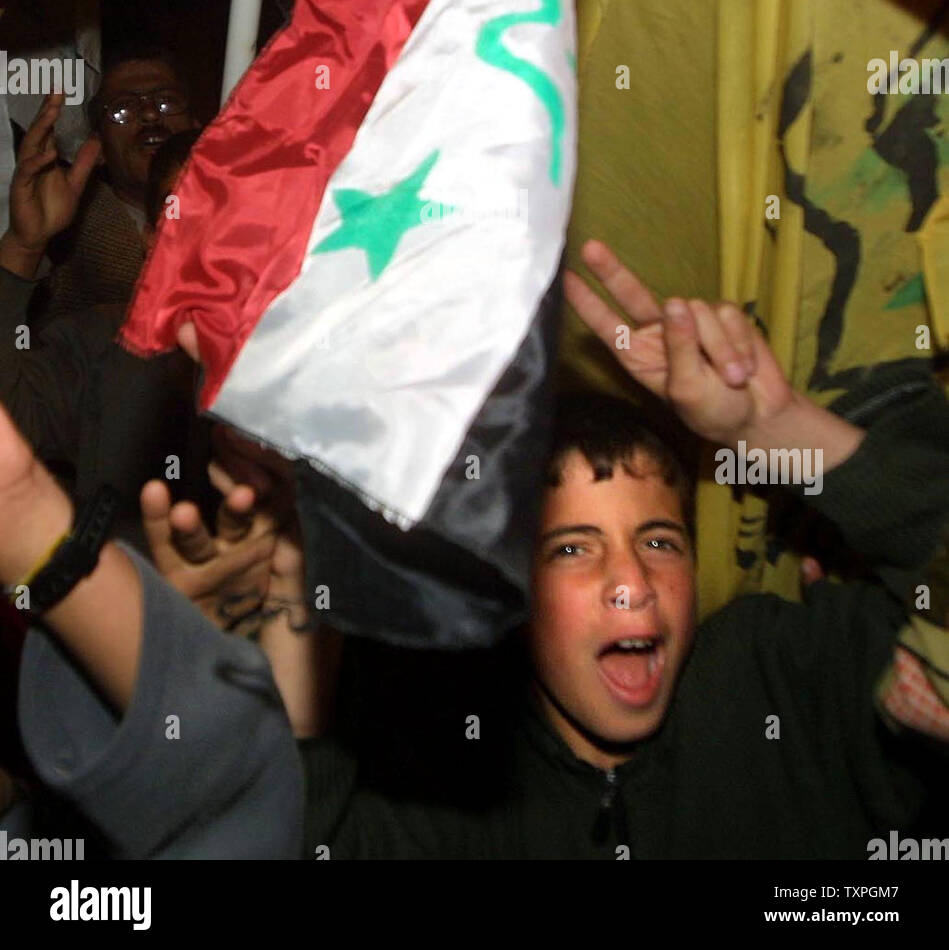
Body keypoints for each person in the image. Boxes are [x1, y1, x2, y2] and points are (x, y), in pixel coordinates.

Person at [3, 243, 948, 859]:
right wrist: (267, 645)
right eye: (573, 549)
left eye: (656, 540)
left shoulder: (787, 686)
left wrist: (780, 428)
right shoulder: (432, 790)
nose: (630, 586)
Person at [0, 128, 202, 541]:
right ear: (150, 240)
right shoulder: (98, 342)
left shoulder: (308, 353)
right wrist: (22, 249)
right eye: (182, 215)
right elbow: (13, 420)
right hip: (119, 599)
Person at [0, 45, 196, 321]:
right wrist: (24, 247)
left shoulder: (252, 219)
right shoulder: (70, 258)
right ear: (98, 147)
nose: (151, 115)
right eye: (123, 108)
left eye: (167, 101)